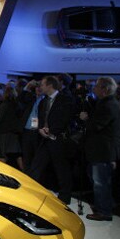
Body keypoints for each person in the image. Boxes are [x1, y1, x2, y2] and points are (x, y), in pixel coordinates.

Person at [79, 77, 120, 221]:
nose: (94, 88)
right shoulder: (107, 103)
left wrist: (86, 119)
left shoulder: (108, 105)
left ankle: (104, 211)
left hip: (103, 150)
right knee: (100, 180)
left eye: (97, 86)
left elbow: (97, 125)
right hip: (101, 150)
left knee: (100, 182)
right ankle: (106, 205)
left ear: (105, 89)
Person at [29, 76, 75, 204]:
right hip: (44, 139)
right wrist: (40, 129)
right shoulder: (43, 101)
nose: (40, 87)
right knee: (36, 168)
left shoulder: (65, 99)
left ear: (50, 85)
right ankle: (30, 195)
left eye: (42, 85)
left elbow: (66, 118)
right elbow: (39, 118)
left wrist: (52, 131)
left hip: (58, 139)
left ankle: (64, 198)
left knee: (62, 170)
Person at [0, 86, 23, 169]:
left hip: (4, 133)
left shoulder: (4, 104)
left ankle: (1, 173)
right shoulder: (18, 104)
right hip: (14, 133)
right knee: (18, 155)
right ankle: (24, 172)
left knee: (2, 155)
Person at [20, 80, 43, 173]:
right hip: (27, 130)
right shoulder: (31, 98)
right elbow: (20, 98)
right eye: (37, 87)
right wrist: (28, 86)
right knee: (26, 156)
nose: (39, 89)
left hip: (37, 132)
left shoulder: (45, 100)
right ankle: (26, 175)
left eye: (41, 87)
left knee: (36, 157)